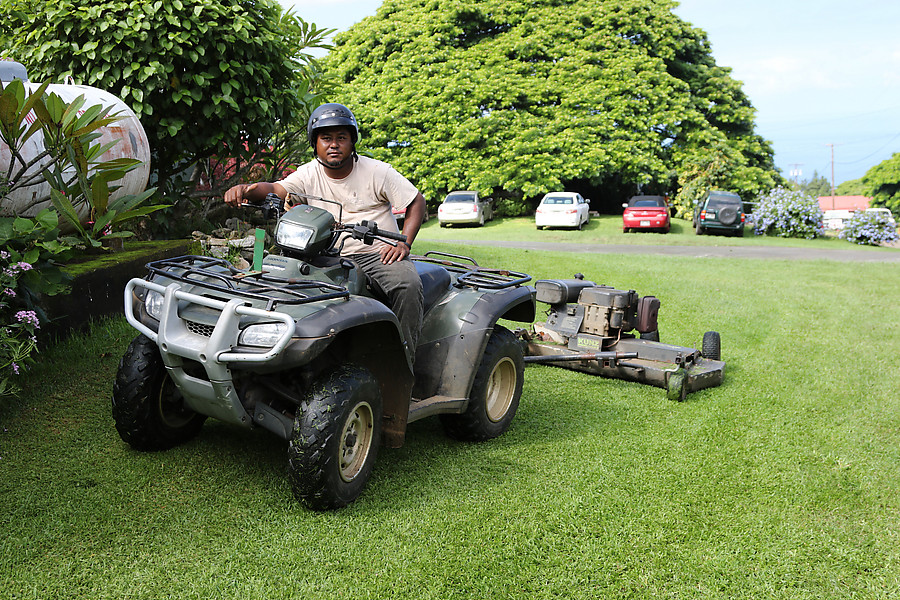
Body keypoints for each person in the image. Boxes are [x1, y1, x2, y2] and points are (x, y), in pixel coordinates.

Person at [224, 103, 426, 356]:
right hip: (326, 253)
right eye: (326, 138)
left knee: (407, 285)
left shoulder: (377, 171)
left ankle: (402, 358)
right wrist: (247, 189)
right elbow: (276, 189)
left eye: (341, 138)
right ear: (315, 143)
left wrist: (403, 242)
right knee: (279, 282)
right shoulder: (308, 174)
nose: (334, 144)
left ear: (352, 142)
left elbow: (415, 200)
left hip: (377, 254)